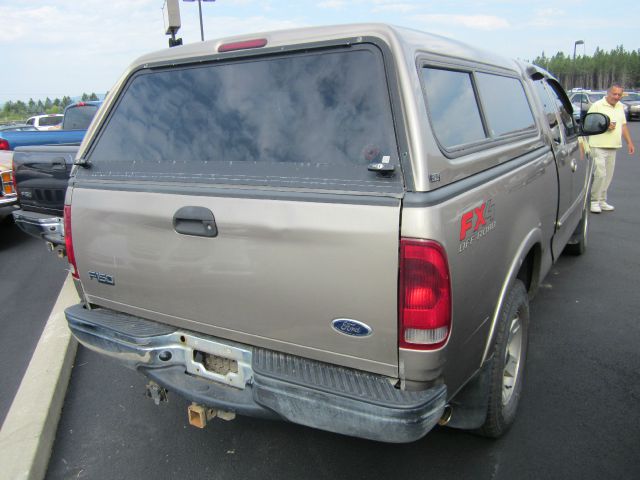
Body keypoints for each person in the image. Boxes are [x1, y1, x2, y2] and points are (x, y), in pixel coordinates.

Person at [587, 84, 635, 213]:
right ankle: (594, 201)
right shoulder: (597, 105)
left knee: (608, 176)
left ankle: (602, 200)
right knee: (600, 174)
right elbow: (588, 123)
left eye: (619, 95)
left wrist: (629, 143)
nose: (617, 97)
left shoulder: (620, 106)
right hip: (598, 145)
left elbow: (623, 126)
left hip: (613, 146)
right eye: (614, 94)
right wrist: (604, 125)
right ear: (608, 93)